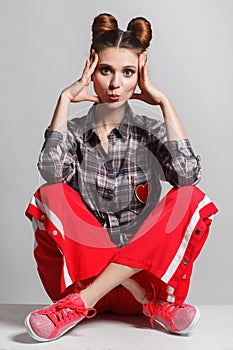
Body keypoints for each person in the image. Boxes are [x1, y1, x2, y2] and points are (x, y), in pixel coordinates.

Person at [24, 13, 218, 342]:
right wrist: (64, 100)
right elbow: (51, 172)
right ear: (91, 71)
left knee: (190, 196)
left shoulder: (151, 131)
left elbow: (188, 176)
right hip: (84, 281)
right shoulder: (71, 134)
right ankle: (134, 303)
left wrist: (165, 104)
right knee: (50, 192)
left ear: (139, 76)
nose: (116, 84)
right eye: (106, 70)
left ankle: (92, 305)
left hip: (146, 281)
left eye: (128, 72)